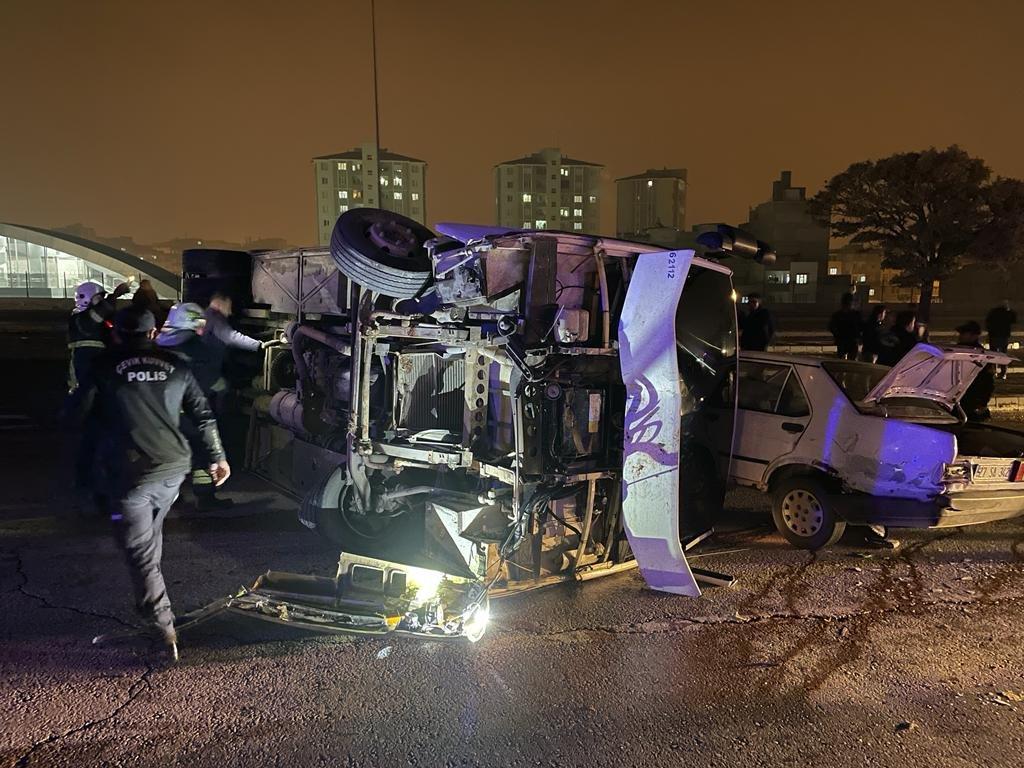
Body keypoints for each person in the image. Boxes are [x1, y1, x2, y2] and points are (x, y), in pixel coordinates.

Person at [65, 306, 229, 661]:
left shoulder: (104, 366)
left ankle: (162, 627)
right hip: (174, 467)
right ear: (154, 333)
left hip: (130, 474)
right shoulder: (178, 366)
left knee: (139, 552)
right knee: (149, 541)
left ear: (117, 333)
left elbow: (74, 415)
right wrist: (218, 457)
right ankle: (156, 612)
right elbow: (203, 415)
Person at [157, 302, 236, 510]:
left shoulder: (159, 344)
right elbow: (209, 378)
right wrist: (225, 388)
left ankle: (169, 496)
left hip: (158, 414)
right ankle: (205, 498)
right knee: (202, 452)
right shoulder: (198, 347)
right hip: (189, 412)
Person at [66, 280, 129, 515]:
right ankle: (96, 492)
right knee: (96, 444)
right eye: (99, 297)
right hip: (90, 395)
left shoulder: (91, 323)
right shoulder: (81, 320)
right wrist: (115, 295)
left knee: (93, 444)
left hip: (94, 393)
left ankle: (92, 487)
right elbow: (99, 314)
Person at [956, 320, 996, 422]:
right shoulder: (957, 351)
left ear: (974, 336)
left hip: (972, 400)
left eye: (964, 333)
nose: (960, 336)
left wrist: (982, 402)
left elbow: (987, 381)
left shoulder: (981, 355)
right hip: (957, 399)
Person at [985, 299, 1016, 379]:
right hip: (1003, 335)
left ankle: (994, 371)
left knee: (993, 354)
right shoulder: (1007, 313)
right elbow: (1014, 320)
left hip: (993, 335)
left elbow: (988, 322)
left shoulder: (993, 312)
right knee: (1003, 354)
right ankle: (1003, 373)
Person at [828, 292, 862, 361]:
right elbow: (831, 327)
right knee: (849, 360)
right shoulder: (855, 315)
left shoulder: (838, 315)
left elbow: (831, 327)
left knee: (845, 360)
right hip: (847, 340)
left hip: (846, 340)